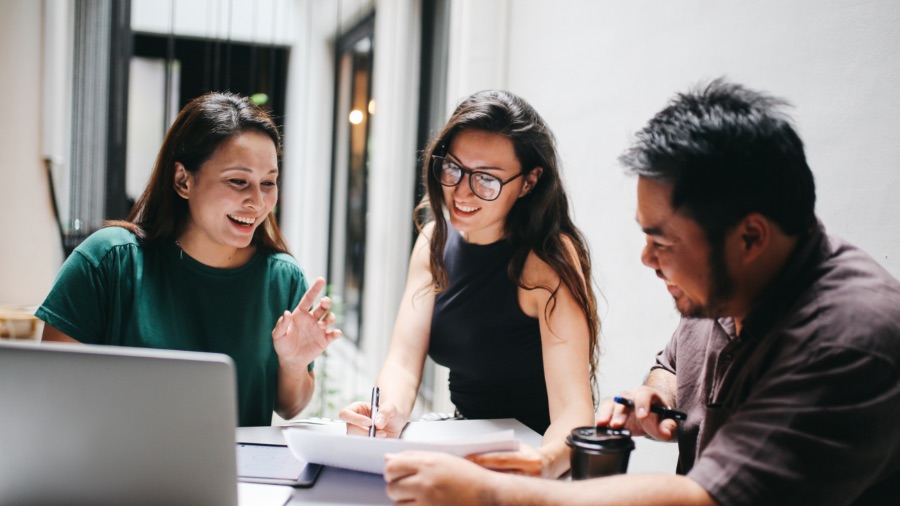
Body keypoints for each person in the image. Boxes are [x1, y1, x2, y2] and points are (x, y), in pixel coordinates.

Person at [382, 79, 900, 505]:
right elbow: (673, 364)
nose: (647, 259)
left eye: (662, 241)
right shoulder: (724, 290)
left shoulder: (849, 338)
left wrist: (495, 493)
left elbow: (706, 499)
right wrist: (657, 394)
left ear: (749, 237)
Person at [36, 92, 342, 427]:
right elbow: (50, 396)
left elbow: (290, 408)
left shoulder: (282, 279)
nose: (257, 202)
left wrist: (294, 363)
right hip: (115, 474)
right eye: (238, 181)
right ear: (183, 180)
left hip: (240, 478)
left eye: (268, 183)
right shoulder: (108, 262)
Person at [340, 89, 600, 478]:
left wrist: (536, 468)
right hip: (468, 445)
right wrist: (387, 411)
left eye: (487, 180)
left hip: (542, 456)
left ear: (528, 182)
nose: (461, 192)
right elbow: (403, 362)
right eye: (453, 169)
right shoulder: (434, 241)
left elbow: (574, 411)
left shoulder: (548, 260)